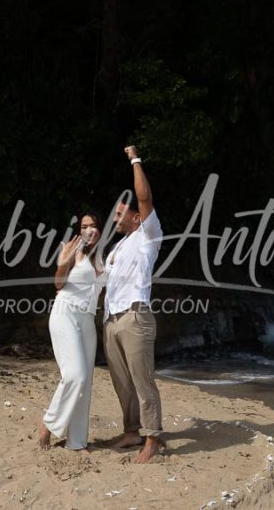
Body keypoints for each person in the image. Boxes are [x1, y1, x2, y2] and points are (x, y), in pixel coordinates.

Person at [103, 145, 163, 463]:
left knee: (142, 379)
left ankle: (152, 438)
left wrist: (135, 160)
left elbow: (144, 197)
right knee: (122, 381)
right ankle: (131, 431)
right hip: (112, 319)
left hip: (136, 316)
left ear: (136, 218)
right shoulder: (117, 248)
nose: (115, 217)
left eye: (120, 213)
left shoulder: (148, 235)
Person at [38, 212, 105, 454]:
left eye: (93, 226)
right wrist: (64, 261)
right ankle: (49, 422)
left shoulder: (105, 256)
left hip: (87, 319)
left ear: (100, 229)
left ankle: (76, 442)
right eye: (84, 226)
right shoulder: (71, 249)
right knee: (74, 374)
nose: (89, 230)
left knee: (85, 382)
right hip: (65, 312)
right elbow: (58, 283)